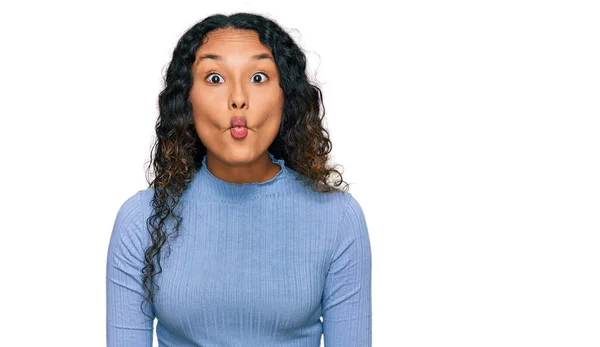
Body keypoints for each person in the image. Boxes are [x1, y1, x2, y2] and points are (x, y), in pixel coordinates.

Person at [106, 12, 372, 347]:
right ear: (186, 99)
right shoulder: (139, 220)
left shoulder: (338, 218)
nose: (238, 98)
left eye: (258, 77)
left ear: (285, 95)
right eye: (215, 78)